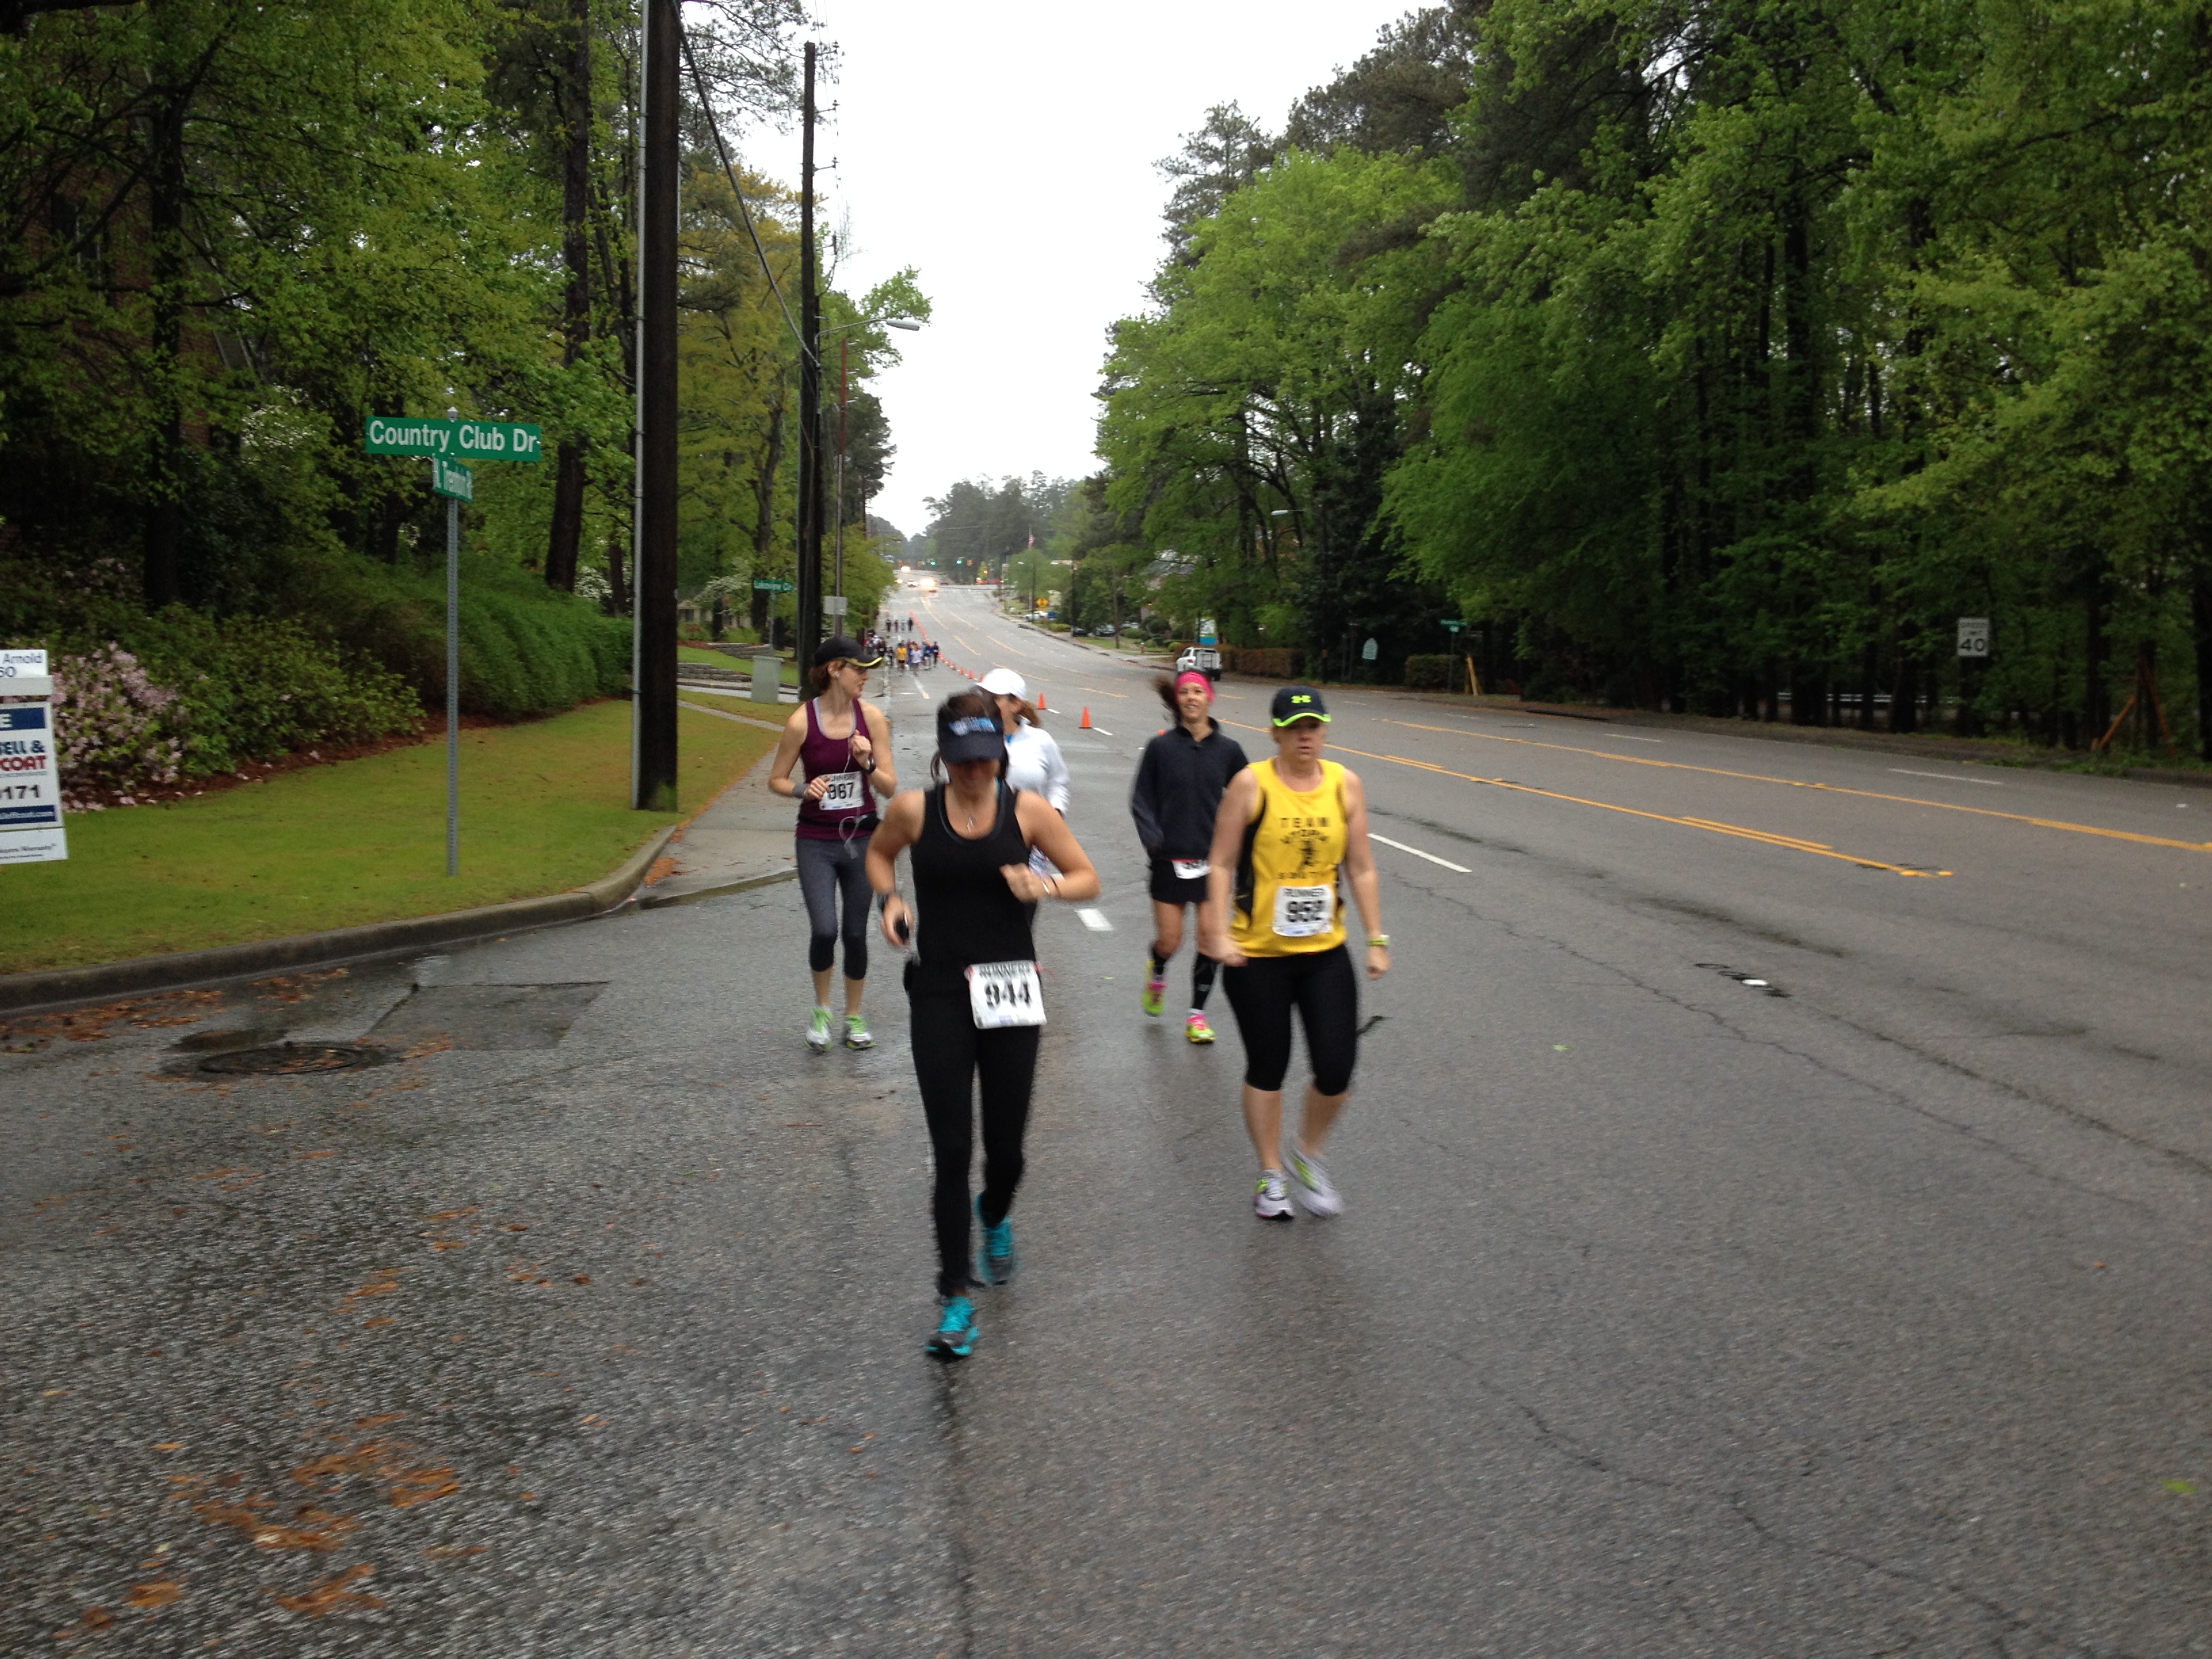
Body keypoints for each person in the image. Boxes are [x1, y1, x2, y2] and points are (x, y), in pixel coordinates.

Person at [867, 691, 1101, 1359]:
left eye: (986, 759)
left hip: (1010, 991)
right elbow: (879, 856)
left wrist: (1045, 886)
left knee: (1007, 1151)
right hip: (940, 990)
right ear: (944, 755)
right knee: (951, 1151)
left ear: (1001, 752)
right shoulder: (914, 809)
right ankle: (955, 1298)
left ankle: (994, 1212)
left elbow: (1087, 877)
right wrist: (890, 901)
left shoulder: (1027, 812)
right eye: (963, 760)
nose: (975, 771)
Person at [1198, 686, 1389, 1221]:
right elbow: (1221, 862)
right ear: (1275, 733)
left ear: (1324, 731)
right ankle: (1271, 1174)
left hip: (1324, 953)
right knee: (1269, 1065)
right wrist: (1218, 931)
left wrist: (1376, 938)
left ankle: (1307, 1153)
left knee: (1336, 1069)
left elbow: (1361, 867)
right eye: (1294, 727)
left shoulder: (1345, 784)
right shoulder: (1251, 784)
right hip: (1257, 956)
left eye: (1313, 727)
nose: (1305, 736)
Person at [768, 636, 896, 1053]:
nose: (866, 676)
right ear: (835, 671)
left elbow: (889, 787)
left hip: (862, 838)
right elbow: (776, 779)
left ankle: (854, 1016)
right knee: (825, 930)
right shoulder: (801, 722)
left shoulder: (871, 719)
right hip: (816, 841)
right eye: (859, 669)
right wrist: (802, 789)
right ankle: (822, 1009)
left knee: (855, 934)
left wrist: (867, 763)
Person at [1129, 670, 1248, 1043]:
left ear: (1210, 698)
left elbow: (1249, 797)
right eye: (1185, 692)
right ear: (1178, 700)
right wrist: (1154, 841)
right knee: (1171, 940)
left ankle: (1197, 1015)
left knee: (1211, 940)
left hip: (1213, 861)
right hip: (1170, 859)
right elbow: (1141, 799)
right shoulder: (1160, 747)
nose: (1192, 698)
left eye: (1199, 691)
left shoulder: (1229, 751)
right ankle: (1158, 969)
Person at [979, 668, 1069, 816]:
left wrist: (1055, 811)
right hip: (983, 826)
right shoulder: (972, 739)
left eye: (994, 699)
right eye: (983, 696)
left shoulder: (1041, 740)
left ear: (1015, 704)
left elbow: (1058, 782)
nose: (985, 704)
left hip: (1031, 826)